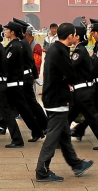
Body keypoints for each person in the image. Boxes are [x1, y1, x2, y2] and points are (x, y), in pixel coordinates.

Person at [35, 22, 94, 182]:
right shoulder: (60, 51)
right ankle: (42, 170)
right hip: (57, 99)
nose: (76, 37)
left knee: (64, 135)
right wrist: (66, 77)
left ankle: (76, 164)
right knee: (53, 136)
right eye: (74, 34)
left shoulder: (55, 49)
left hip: (54, 97)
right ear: (70, 36)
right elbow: (71, 75)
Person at [0, 21, 44, 144]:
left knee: (22, 109)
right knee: (8, 108)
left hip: (16, 83)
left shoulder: (16, 45)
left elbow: (11, 64)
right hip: (15, 82)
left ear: (13, 32)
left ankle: (36, 131)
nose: (5, 31)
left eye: (7, 29)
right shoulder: (16, 44)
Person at [67, 25, 98, 150]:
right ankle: (61, 139)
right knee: (69, 116)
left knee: (92, 117)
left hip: (83, 91)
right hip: (79, 91)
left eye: (72, 35)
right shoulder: (79, 49)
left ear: (77, 37)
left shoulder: (79, 50)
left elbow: (71, 68)